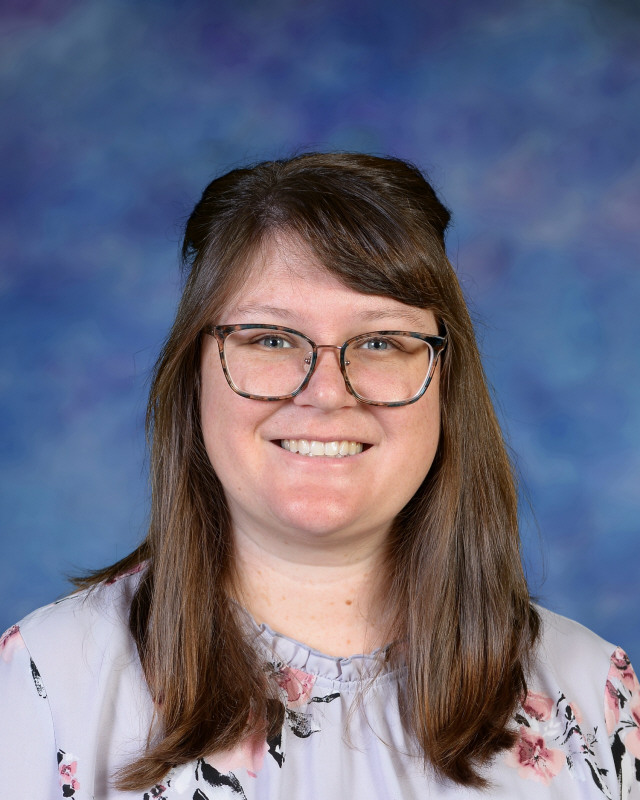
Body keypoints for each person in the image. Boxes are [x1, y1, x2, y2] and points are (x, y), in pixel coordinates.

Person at [1, 152, 638, 800]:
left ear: (447, 385)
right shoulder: (48, 683)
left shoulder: (590, 694)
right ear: (194, 376)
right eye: (271, 339)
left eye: (382, 341)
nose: (328, 393)